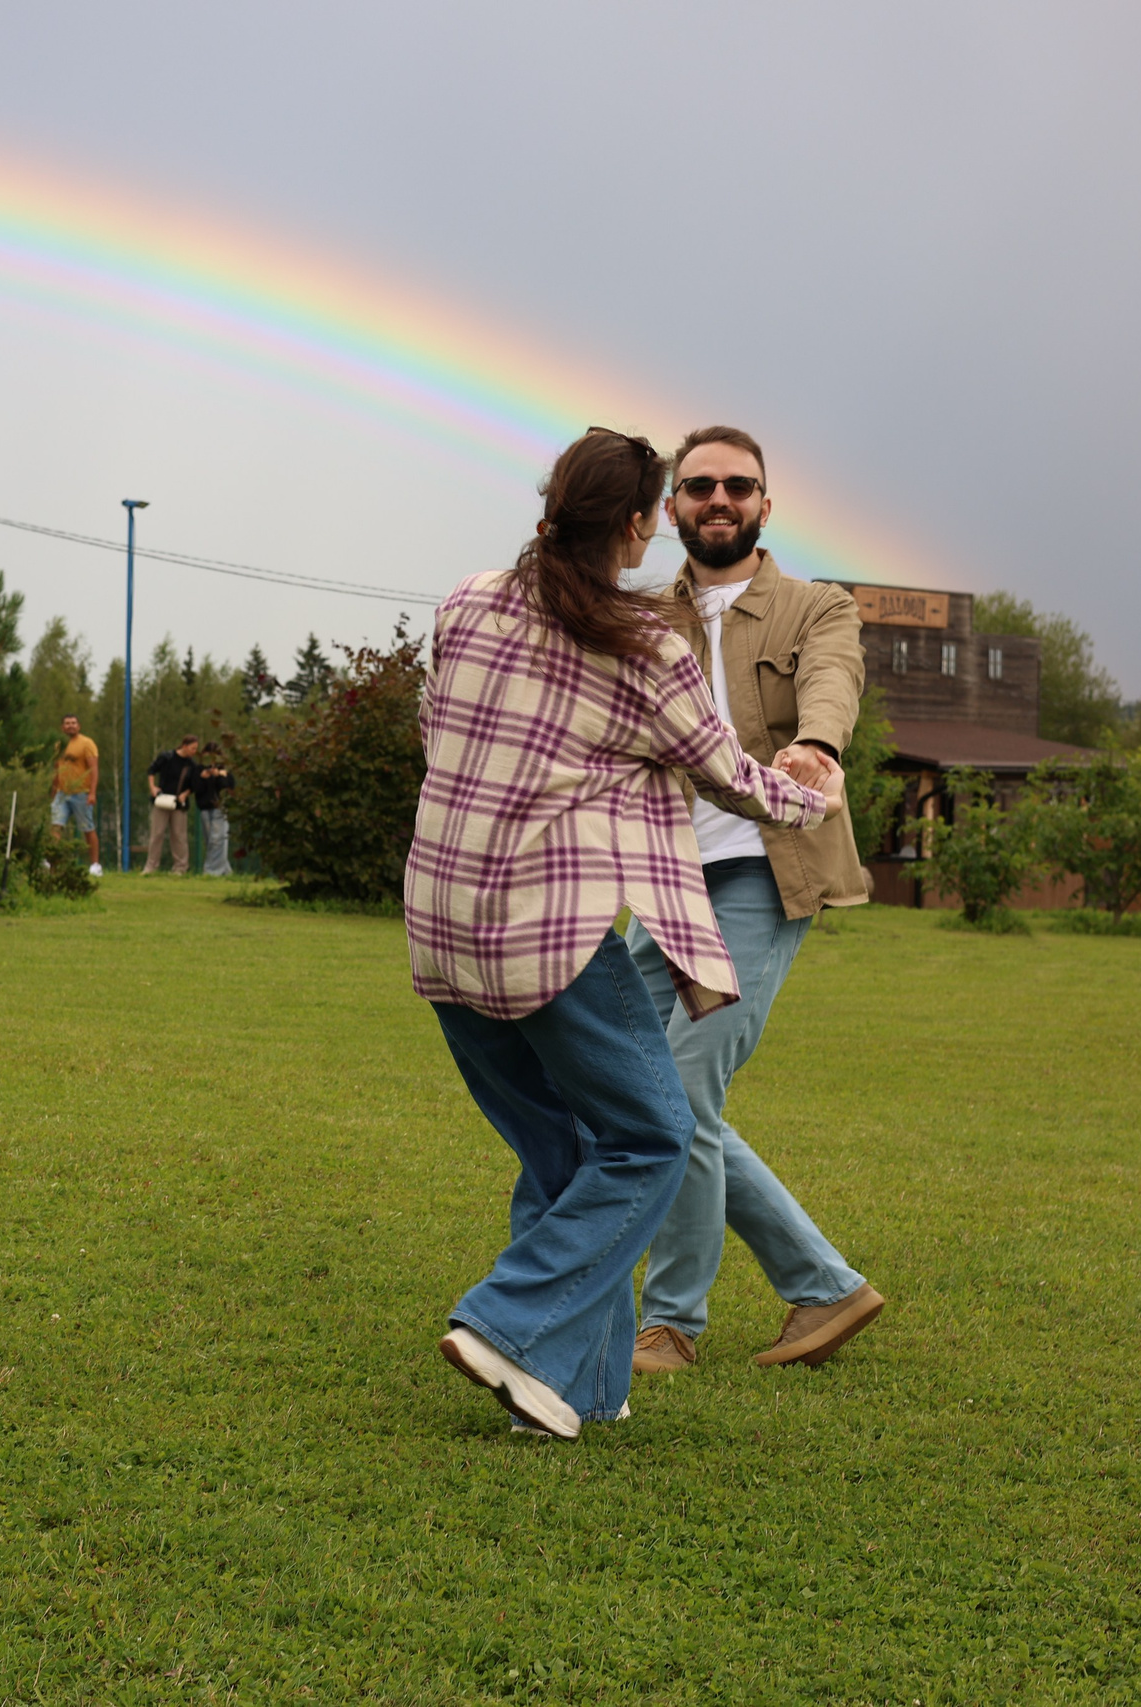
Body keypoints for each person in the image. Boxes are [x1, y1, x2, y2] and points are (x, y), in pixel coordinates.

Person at [406, 427, 829, 1440]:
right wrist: (814, 798)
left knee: (563, 1149)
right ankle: (507, 1323)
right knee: (648, 1136)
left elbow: (437, 726)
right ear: (640, 526)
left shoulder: (465, 601)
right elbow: (725, 772)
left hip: (438, 925)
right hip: (544, 935)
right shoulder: (646, 647)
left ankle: (572, 1390)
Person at [624, 426, 885, 1377]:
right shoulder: (645, 619)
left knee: (684, 1090)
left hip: (763, 877)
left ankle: (671, 1324)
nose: (719, 499)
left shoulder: (817, 607)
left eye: (739, 485)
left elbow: (834, 681)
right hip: (662, 883)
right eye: (699, 487)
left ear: (766, 503)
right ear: (672, 509)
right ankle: (822, 1287)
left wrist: (817, 748)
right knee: (623, 1078)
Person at [49, 714, 101, 874]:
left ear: (78, 726)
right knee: (55, 827)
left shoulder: (87, 743)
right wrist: (53, 790)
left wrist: (92, 793)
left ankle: (95, 865)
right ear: (62, 727)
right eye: (67, 723)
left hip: (81, 793)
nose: (70, 726)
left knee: (87, 828)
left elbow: (93, 769)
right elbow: (57, 769)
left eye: (73, 723)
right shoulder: (59, 744)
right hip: (62, 794)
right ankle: (51, 863)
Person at [143, 735, 202, 875]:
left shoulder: (192, 765)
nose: (194, 751)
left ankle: (180, 867)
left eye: (196, 749)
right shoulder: (167, 757)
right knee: (157, 834)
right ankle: (151, 867)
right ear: (184, 746)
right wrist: (152, 787)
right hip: (162, 800)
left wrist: (185, 794)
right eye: (193, 748)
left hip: (179, 803)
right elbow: (151, 770)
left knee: (179, 835)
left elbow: (195, 784)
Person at [194, 744, 235, 876]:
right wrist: (202, 777)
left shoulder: (224, 771)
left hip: (219, 808)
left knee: (217, 840)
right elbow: (196, 789)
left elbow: (228, 788)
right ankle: (224, 870)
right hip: (205, 809)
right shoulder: (199, 770)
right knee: (211, 842)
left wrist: (219, 776)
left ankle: (212, 871)